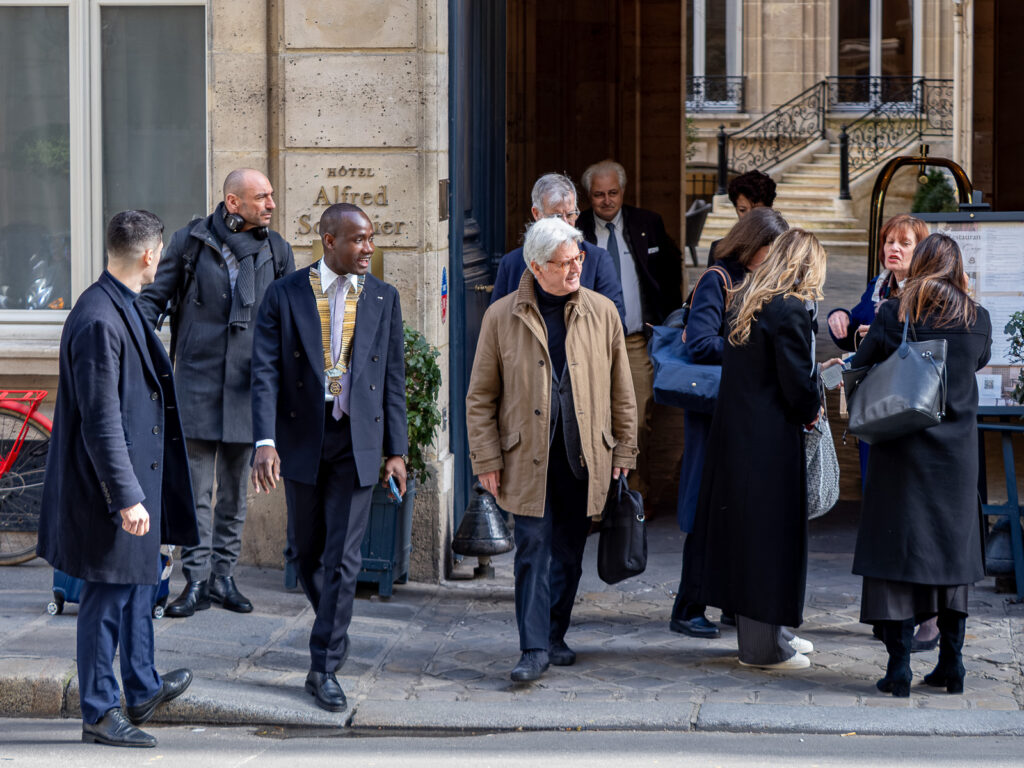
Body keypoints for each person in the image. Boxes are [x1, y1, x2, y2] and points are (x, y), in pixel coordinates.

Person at [36, 211, 199, 748]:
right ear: (150, 255)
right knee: (106, 599)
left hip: (133, 482)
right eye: (162, 253)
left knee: (137, 585)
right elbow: (102, 420)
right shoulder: (99, 318)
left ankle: (142, 685)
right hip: (107, 492)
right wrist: (126, 496)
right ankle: (101, 712)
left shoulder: (117, 302)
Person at [250, 203, 407, 713]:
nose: (369, 249)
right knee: (304, 553)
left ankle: (324, 666)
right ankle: (332, 625)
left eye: (372, 238)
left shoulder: (384, 297)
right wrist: (264, 441)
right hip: (300, 438)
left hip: (357, 439)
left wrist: (397, 451)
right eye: (359, 239)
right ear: (329, 240)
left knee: (344, 556)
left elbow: (393, 380)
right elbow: (265, 372)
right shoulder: (285, 293)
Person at [466, 216, 637, 683]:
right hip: (525, 456)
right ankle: (533, 648)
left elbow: (623, 390)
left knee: (568, 551)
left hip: (585, 455)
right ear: (537, 267)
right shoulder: (502, 316)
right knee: (532, 551)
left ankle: (556, 633)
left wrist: (625, 452)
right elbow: (480, 396)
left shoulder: (602, 312)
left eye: (577, 259)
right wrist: (485, 459)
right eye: (564, 263)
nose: (574, 268)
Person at [137, 169, 295, 618]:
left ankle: (225, 578)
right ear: (232, 202)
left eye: (270, 195)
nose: (270, 204)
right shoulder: (191, 243)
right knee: (196, 492)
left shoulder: (277, 250)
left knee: (234, 496)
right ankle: (197, 581)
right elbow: (153, 301)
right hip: (196, 385)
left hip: (250, 388)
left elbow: (289, 318)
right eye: (260, 197)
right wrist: (129, 343)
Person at [681, 228, 838, 670]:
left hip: (740, 439)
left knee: (752, 543)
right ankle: (764, 649)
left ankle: (773, 637)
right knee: (769, 545)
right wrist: (815, 398)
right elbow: (794, 387)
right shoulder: (788, 309)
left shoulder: (751, 302)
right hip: (770, 444)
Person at [850, 233, 992, 698]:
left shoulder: (895, 314)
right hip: (956, 460)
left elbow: (865, 362)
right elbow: (978, 361)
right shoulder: (979, 319)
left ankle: (900, 669)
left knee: (898, 556)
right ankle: (952, 664)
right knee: (952, 555)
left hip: (903, 456)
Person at [670, 207, 789, 640]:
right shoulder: (716, 280)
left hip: (743, 415)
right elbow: (701, 343)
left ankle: (732, 604)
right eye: (770, 249)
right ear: (752, 244)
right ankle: (687, 606)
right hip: (713, 413)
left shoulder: (762, 280)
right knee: (707, 508)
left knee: (737, 511)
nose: (775, 257)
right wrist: (753, 348)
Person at [577, 159, 683, 498]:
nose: (606, 201)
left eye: (612, 192)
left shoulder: (647, 223)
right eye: (598, 195)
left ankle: (634, 495)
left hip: (636, 341)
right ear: (587, 197)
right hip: (589, 344)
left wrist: (669, 324)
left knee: (636, 420)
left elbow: (668, 274)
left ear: (623, 191)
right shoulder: (576, 230)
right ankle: (596, 499)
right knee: (590, 420)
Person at [491, 172, 625, 325]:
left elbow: (615, 325)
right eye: (555, 217)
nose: (565, 224)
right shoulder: (512, 263)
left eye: (570, 214)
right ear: (536, 214)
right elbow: (497, 326)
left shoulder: (598, 259)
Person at [826, 214, 929, 352]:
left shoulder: (928, 290)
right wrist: (839, 317)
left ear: (921, 251)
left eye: (905, 243)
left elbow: (928, 342)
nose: (894, 248)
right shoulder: (879, 285)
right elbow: (854, 337)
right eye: (890, 241)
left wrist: (883, 336)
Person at [706, 170, 778, 266]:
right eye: (742, 210)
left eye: (756, 210)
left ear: (770, 208)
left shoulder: (782, 248)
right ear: (736, 208)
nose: (749, 217)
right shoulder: (719, 249)